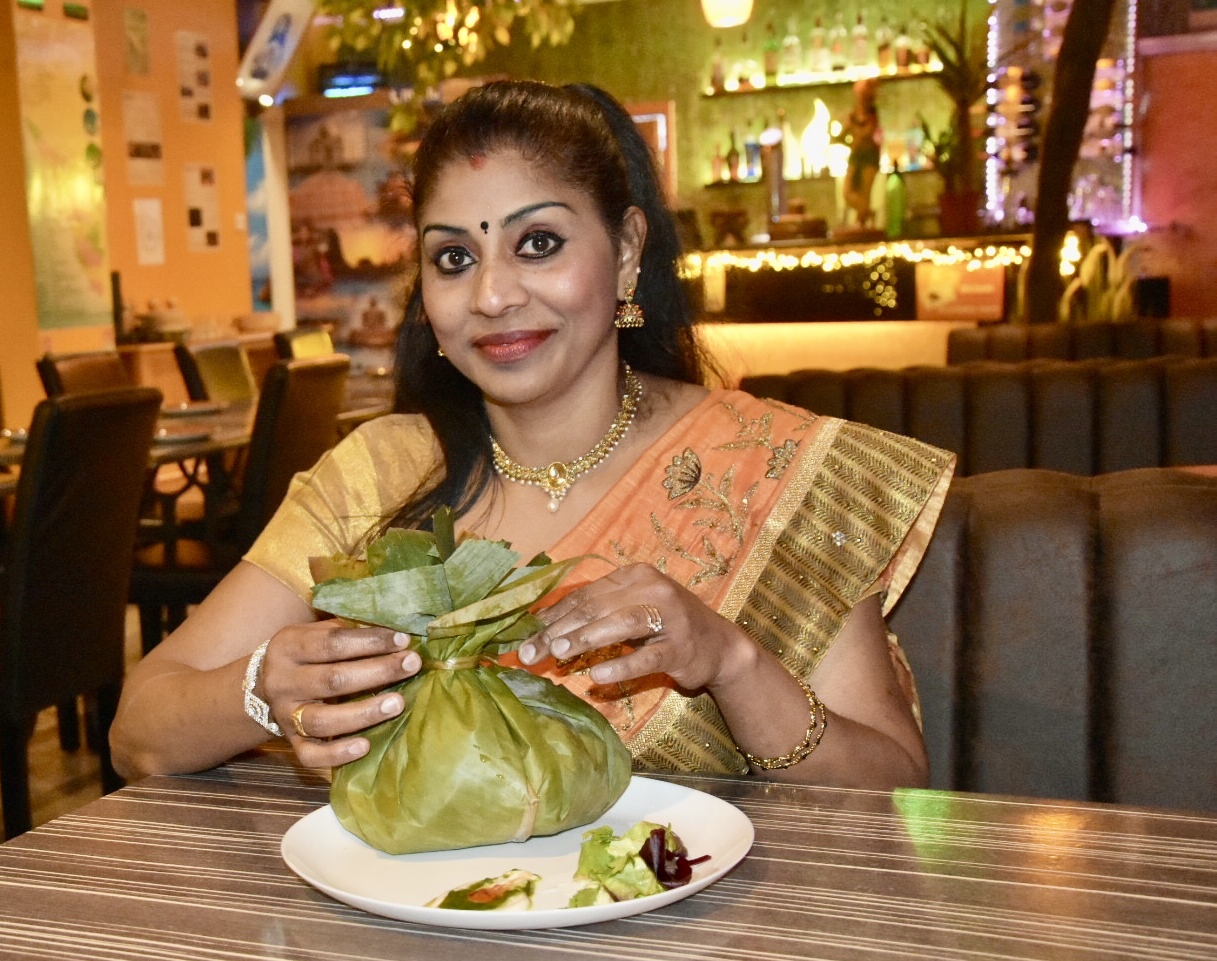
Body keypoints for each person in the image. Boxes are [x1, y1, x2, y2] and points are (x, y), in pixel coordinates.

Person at [110, 80, 953, 790]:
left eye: (538, 243)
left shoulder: (767, 465)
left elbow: (894, 785)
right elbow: (139, 729)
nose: (492, 295)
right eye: (453, 259)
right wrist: (261, 689)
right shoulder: (379, 474)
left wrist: (732, 663)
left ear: (626, 254)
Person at [842, 78, 882, 228]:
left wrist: (853, 129)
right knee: (848, 193)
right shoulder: (853, 115)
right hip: (856, 156)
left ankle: (862, 222)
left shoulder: (872, 115)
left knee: (865, 193)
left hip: (869, 157)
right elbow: (843, 135)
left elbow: (866, 134)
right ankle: (867, 213)